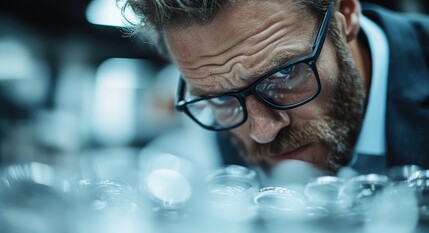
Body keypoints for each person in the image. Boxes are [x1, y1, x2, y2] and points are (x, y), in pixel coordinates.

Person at [122, 0, 429, 175]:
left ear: (346, 14)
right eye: (220, 98)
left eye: (283, 76)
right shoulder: (222, 137)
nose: (262, 131)